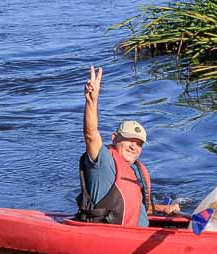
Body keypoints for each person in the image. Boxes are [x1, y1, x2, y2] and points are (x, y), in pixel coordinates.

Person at [76, 66, 181, 226]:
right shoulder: (102, 161)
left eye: (139, 144)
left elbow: (135, 208)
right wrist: (92, 100)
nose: (134, 146)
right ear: (114, 138)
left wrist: (163, 209)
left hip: (138, 232)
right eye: (129, 140)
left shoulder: (132, 172)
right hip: (113, 237)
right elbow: (90, 134)